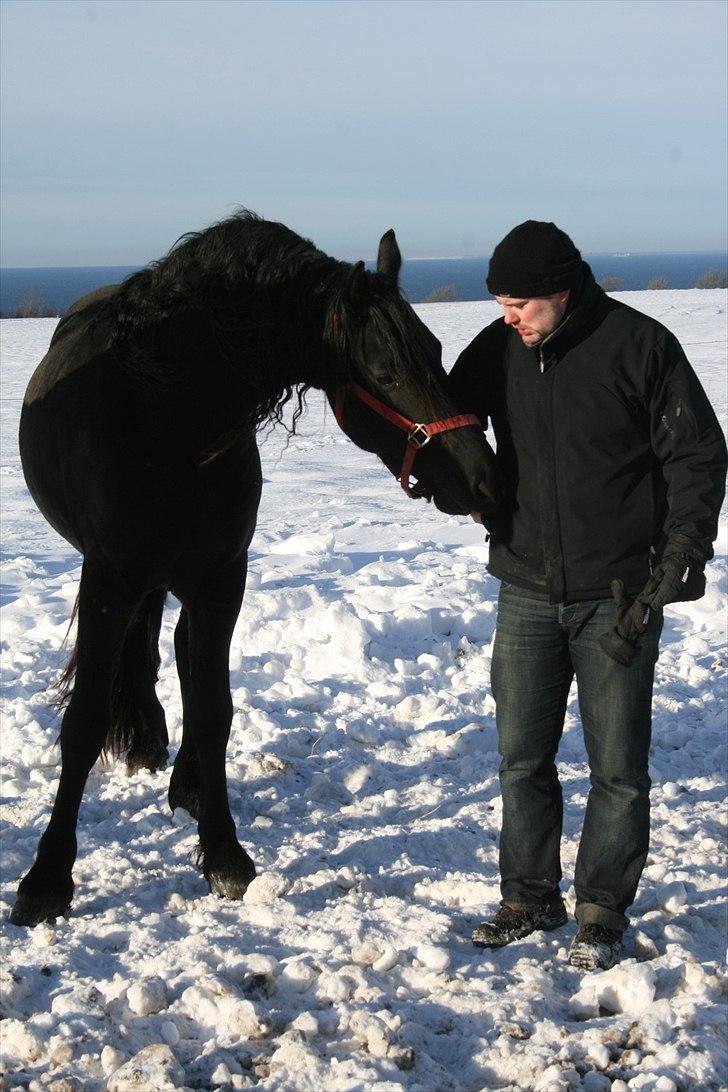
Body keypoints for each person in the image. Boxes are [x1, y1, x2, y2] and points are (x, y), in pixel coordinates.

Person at [448, 221, 727, 971]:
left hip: (619, 594)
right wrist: (458, 484)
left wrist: (679, 559)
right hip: (526, 588)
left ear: (562, 294)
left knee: (619, 768)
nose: (508, 316)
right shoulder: (498, 349)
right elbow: (449, 422)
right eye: (500, 302)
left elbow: (698, 455)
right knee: (520, 759)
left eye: (519, 303)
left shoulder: (640, 346)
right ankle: (528, 896)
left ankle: (601, 909)